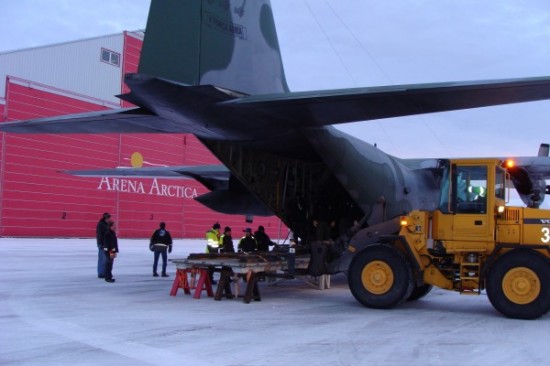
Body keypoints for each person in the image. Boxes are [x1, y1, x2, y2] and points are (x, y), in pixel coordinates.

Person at [95, 212, 111, 279]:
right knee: (103, 259)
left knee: (107, 259)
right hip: (103, 245)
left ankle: (106, 272)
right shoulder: (101, 225)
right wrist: (101, 244)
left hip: (108, 244)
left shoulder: (106, 224)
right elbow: (100, 236)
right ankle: (101, 273)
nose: (109, 219)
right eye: (108, 218)